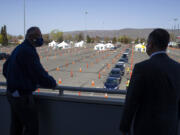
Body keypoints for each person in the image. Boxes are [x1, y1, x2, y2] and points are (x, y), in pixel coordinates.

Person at [119, 28, 180, 135]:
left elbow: (131, 102)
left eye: (147, 43)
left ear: (151, 44)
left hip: (146, 128)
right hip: (171, 128)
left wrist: (124, 128)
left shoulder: (141, 68)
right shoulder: (177, 68)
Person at [3, 27, 57, 135]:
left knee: (16, 126)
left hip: (12, 93)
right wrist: (52, 83)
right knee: (32, 128)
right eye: (39, 36)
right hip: (22, 97)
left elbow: (5, 68)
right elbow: (39, 73)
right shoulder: (28, 51)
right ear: (32, 38)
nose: (41, 38)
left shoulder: (19, 48)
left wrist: (16, 80)